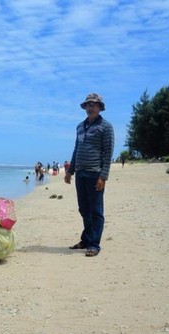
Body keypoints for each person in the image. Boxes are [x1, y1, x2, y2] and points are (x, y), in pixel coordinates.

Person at [64, 93, 114, 257]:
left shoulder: (106, 127)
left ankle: (94, 244)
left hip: (95, 174)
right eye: (88, 104)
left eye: (94, 104)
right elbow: (76, 149)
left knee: (96, 210)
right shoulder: (79, 127)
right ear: (85, 107)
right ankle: (86, 239)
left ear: (100, 107)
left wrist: (103, 176)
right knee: (84, 209)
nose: (91, 107)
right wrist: (70, 171)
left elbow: (108, 153)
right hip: (81, 173)